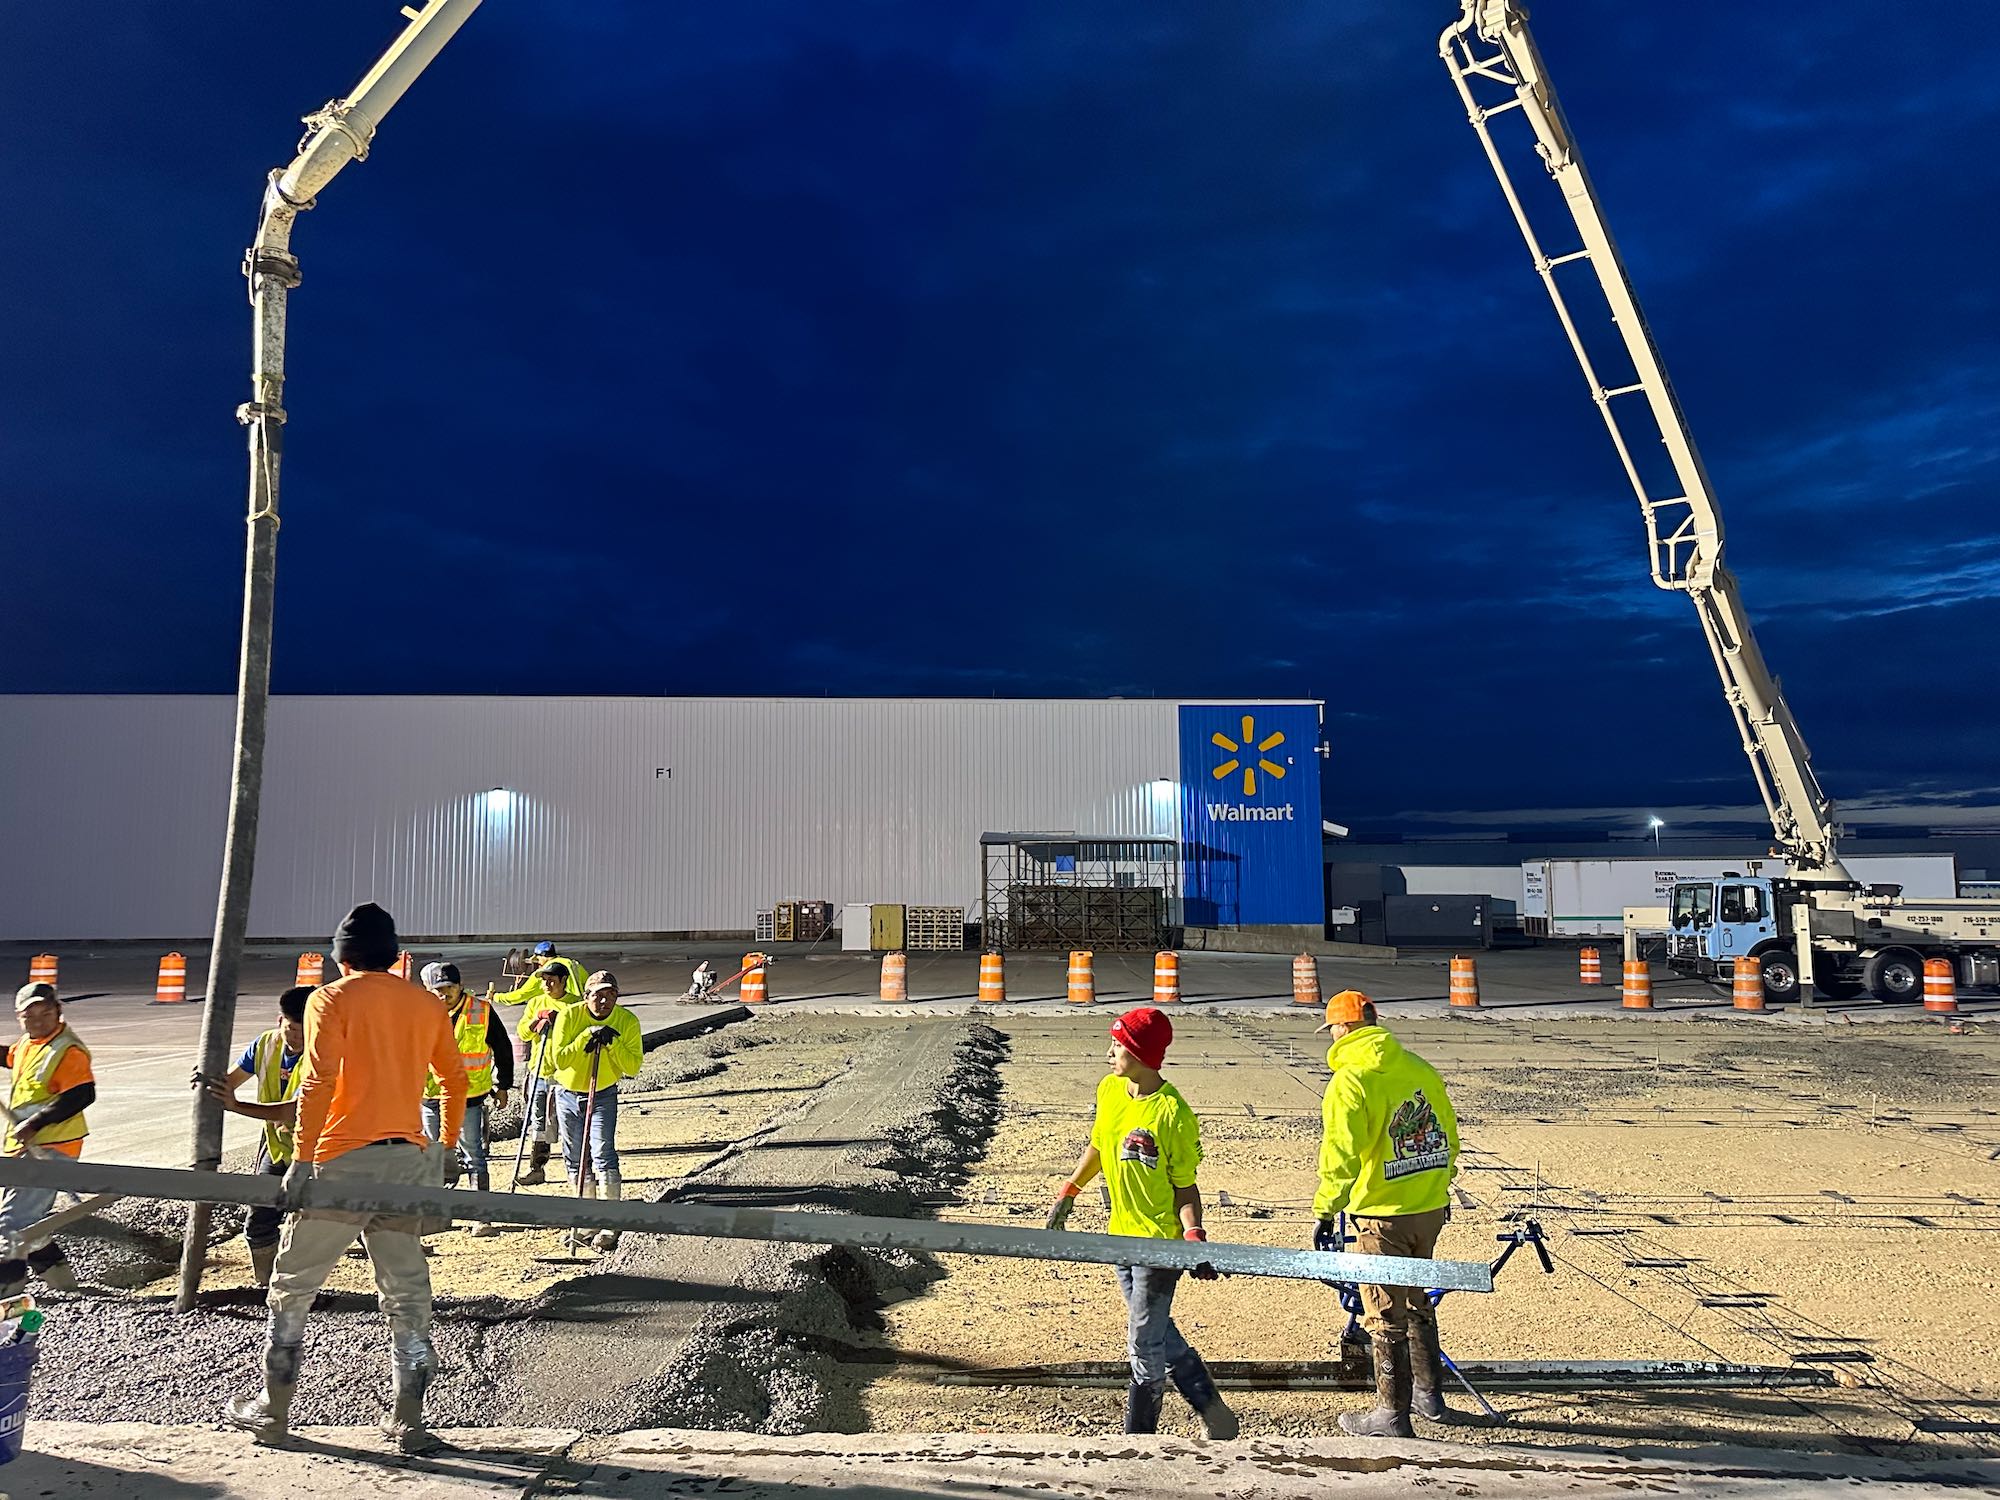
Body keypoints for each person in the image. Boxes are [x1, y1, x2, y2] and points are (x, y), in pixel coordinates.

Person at [226, 902, 468, 1450]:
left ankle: (273, 1409)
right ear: (393, 955)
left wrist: (303, 1159)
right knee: (407, 1291)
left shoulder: (328, 999)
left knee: (293, 1287)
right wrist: (445, 1147)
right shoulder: (425, 1004)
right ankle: (409, 1421)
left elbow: (317, 1082)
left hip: (342, 1162)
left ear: (343, 958)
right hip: (406, 1164)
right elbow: (454, 1080)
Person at [1044, 1007, 1236, 1439]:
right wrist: (1069, 1191)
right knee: (1158, 1329)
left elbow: (1186, 1189)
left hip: (1159, 1244)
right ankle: (1216, 1415)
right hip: (1121, 1240)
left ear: (1139, 1052)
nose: (1109, 1052)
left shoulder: (1173, 1114)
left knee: (1144, 1342)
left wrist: (1193, 1239)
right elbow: (1098, 1145)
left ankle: (1140, 1439)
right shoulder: (1110, 1090)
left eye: (1117, 1045)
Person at [1312, 989, 1461, 1438]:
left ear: (1343, 1028)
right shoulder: (1417, 1068)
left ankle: (1391, 1416)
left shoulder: (1350, 1080)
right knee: (1418, 1300)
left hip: (1381, 1213)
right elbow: (1447, 1135)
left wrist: (1326, 1207)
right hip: (1428, 1205)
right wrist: (1438, 1183)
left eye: (1333, 1028)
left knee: (1383, 1312)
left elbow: (1342, 1152)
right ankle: (1429, 1396)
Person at [198, 986, 310, 1287]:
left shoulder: (322, 1053)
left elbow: (293, 1111)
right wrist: (210, 1082)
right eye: (292, 1029)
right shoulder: (265, 1045)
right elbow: (231, 1080)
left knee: (325, 1220)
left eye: (304, 1030)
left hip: (315, 1152)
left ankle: (301, 1287)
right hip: (277, 1149)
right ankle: (268, 1285)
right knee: (259, 1219)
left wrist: (236, 1106)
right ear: (279, 1021)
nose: (297, 1037)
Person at [0, 982, 95, 1294]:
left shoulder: (66, 1049)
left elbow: (81, 1094)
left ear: (58, 1011)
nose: (39, 1020)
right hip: (24, 1147)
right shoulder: (30, 1044)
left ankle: (7, 1294)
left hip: (52, 1148)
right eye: (31, 1015)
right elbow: (11, 1057)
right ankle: (66, 1286)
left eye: (46, 1012)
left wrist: (35, 1123)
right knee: (31, 1224)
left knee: (11, 1226)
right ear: (20, 1017)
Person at [548, 970, 644, 1250]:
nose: (604, 1001)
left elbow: (633, 1067)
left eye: (611, 994)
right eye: (598, 995)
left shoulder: (627, 1021)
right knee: (575, 1157)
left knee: (602, 1152)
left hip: (602, 1093)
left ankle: (609, 1221)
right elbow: (560, 1060)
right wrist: (585, 1038)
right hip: (567, 1093)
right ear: (586, 996)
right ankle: (586, 1219)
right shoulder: (570, 1016)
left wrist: (611, 1043)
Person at [419, 962, 513, 1233]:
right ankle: (439, 1214)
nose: (444, 994)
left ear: (460, 986)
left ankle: (481, 1216)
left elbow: (503, 1048)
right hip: (431, 1096)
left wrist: (503, 1085)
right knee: (432, 1156)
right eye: (438, 989)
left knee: (473, 1154)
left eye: (449, 987)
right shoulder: (422, 1013)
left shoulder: (481, 1011)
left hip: (468, 1097)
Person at [497, 960, 581, 1185]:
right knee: (539, 1123)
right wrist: (536, 1022)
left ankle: (577, 1170)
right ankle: (537, 1168)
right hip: (539, 1072)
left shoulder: (575, 1005)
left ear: (564, 981)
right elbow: (523, 1033)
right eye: (543, 980)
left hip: (566, 1075)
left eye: (551, 980)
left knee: (569, 1123)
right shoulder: (535, 1003)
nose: (546, 984)